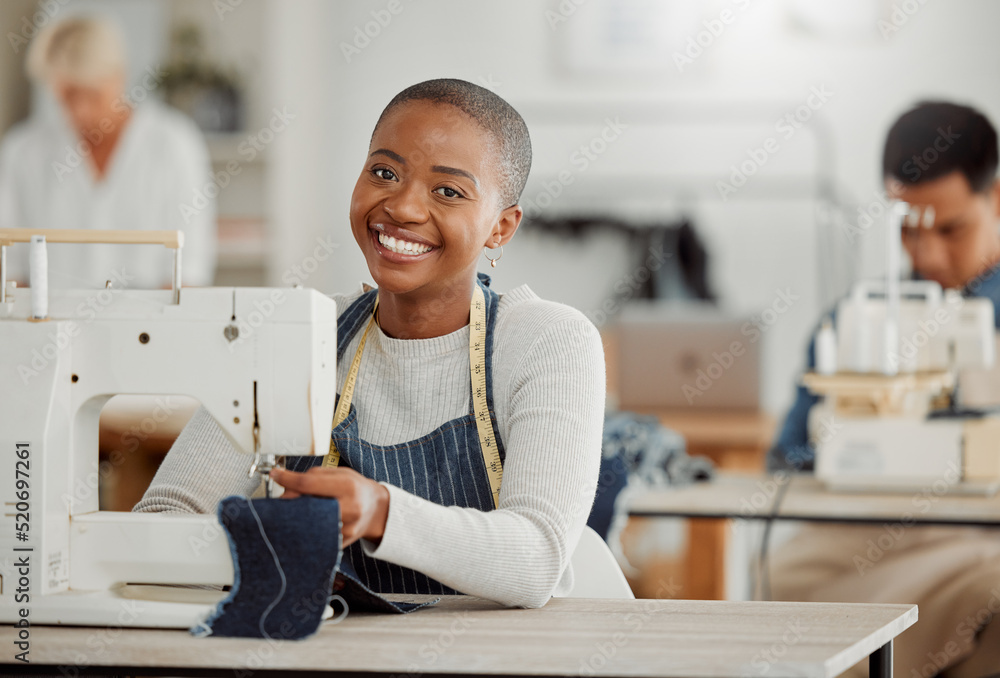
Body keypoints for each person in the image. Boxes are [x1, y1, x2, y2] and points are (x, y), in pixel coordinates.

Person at [133, 78, 606, 609]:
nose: (402, 207)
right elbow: (168, 518)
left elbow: (538, 559)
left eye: (448, 191)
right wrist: (256, 549)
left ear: (501, 227)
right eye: (384, 173)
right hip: (333, 655)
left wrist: (380, 512)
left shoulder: (548, 342)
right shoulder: (291, 335)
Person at [768, 101, 1000, 678]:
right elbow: (790, 452)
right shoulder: (856, 320)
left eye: (951, 229)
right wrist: (864, 440)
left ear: (997, 200)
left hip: (981, 537)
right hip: (863, 537)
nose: (926, 254)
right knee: (775, 583)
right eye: (908, 229)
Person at [0, 15, 216, 290]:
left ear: (119, 76)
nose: (81, 110)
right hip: (48, 327)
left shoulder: (175, 144)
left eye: (92, 94)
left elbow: (191, 265)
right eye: (68, 94)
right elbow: (10, 266)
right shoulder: (22, 152)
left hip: (149, 327)